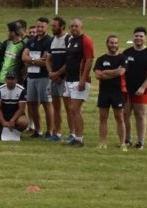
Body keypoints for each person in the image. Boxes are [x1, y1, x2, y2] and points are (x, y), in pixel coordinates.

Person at [61, 19, 94, 147]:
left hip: (79, 80)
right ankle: (74, 136)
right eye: (72, 26)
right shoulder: (70, 40)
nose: (74, 28)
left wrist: (83, 80)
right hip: (69, 80)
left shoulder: (85, 40)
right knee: (71, 109)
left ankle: (80, 139)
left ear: (81, 26)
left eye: (76, 26)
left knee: (75, 109)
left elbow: (89, 60)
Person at [93, 35, 127, 150]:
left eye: (115, 43)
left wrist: (105, 73)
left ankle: (122, 143)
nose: (113, 45)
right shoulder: (101, 59)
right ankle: (102, 143)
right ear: (107, 44)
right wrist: (113, 72)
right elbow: (97, 75)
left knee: (120, 117)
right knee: (103, 118)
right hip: (104, 92)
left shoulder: (123, 58)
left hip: (118, 92)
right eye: (111, 43)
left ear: (118, 44)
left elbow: (120, 73)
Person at [22, 17, 53, 138]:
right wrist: (34, 60)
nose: (39, 29)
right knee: (32, 104)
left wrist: (30, 60)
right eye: (38, 26)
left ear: (46, 27)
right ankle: (38, 130)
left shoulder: (49, 41)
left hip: (44, 77)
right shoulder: (31, 40)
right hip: (31, 76)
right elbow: (23, 57)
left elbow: (44, 61)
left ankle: (50, 131)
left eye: (42, 27)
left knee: (46, 103)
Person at [121, 27, 147, 149]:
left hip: (142, 89)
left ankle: (140, 141)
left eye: (141, 36)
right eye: (136, 36)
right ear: (133, 37)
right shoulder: (127, 53)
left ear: (145, 38)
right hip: (127, 89)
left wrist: (143, 87)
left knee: (140, 114)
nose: (138, 38)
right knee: (125, 113)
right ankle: (127, 139)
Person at [45, 16, 69, 142]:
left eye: (54, 26)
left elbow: (69, 61)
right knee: (56, 107)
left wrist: (59, 74)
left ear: (62, 27)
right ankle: (57, 133)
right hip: (54, 78)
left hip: (65, 79)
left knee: (69, 107)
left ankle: (73, 134)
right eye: (52, 26)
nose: (52, 28)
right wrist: (51, 73)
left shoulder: (68, 39)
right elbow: (48, 59)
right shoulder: (52, 40)